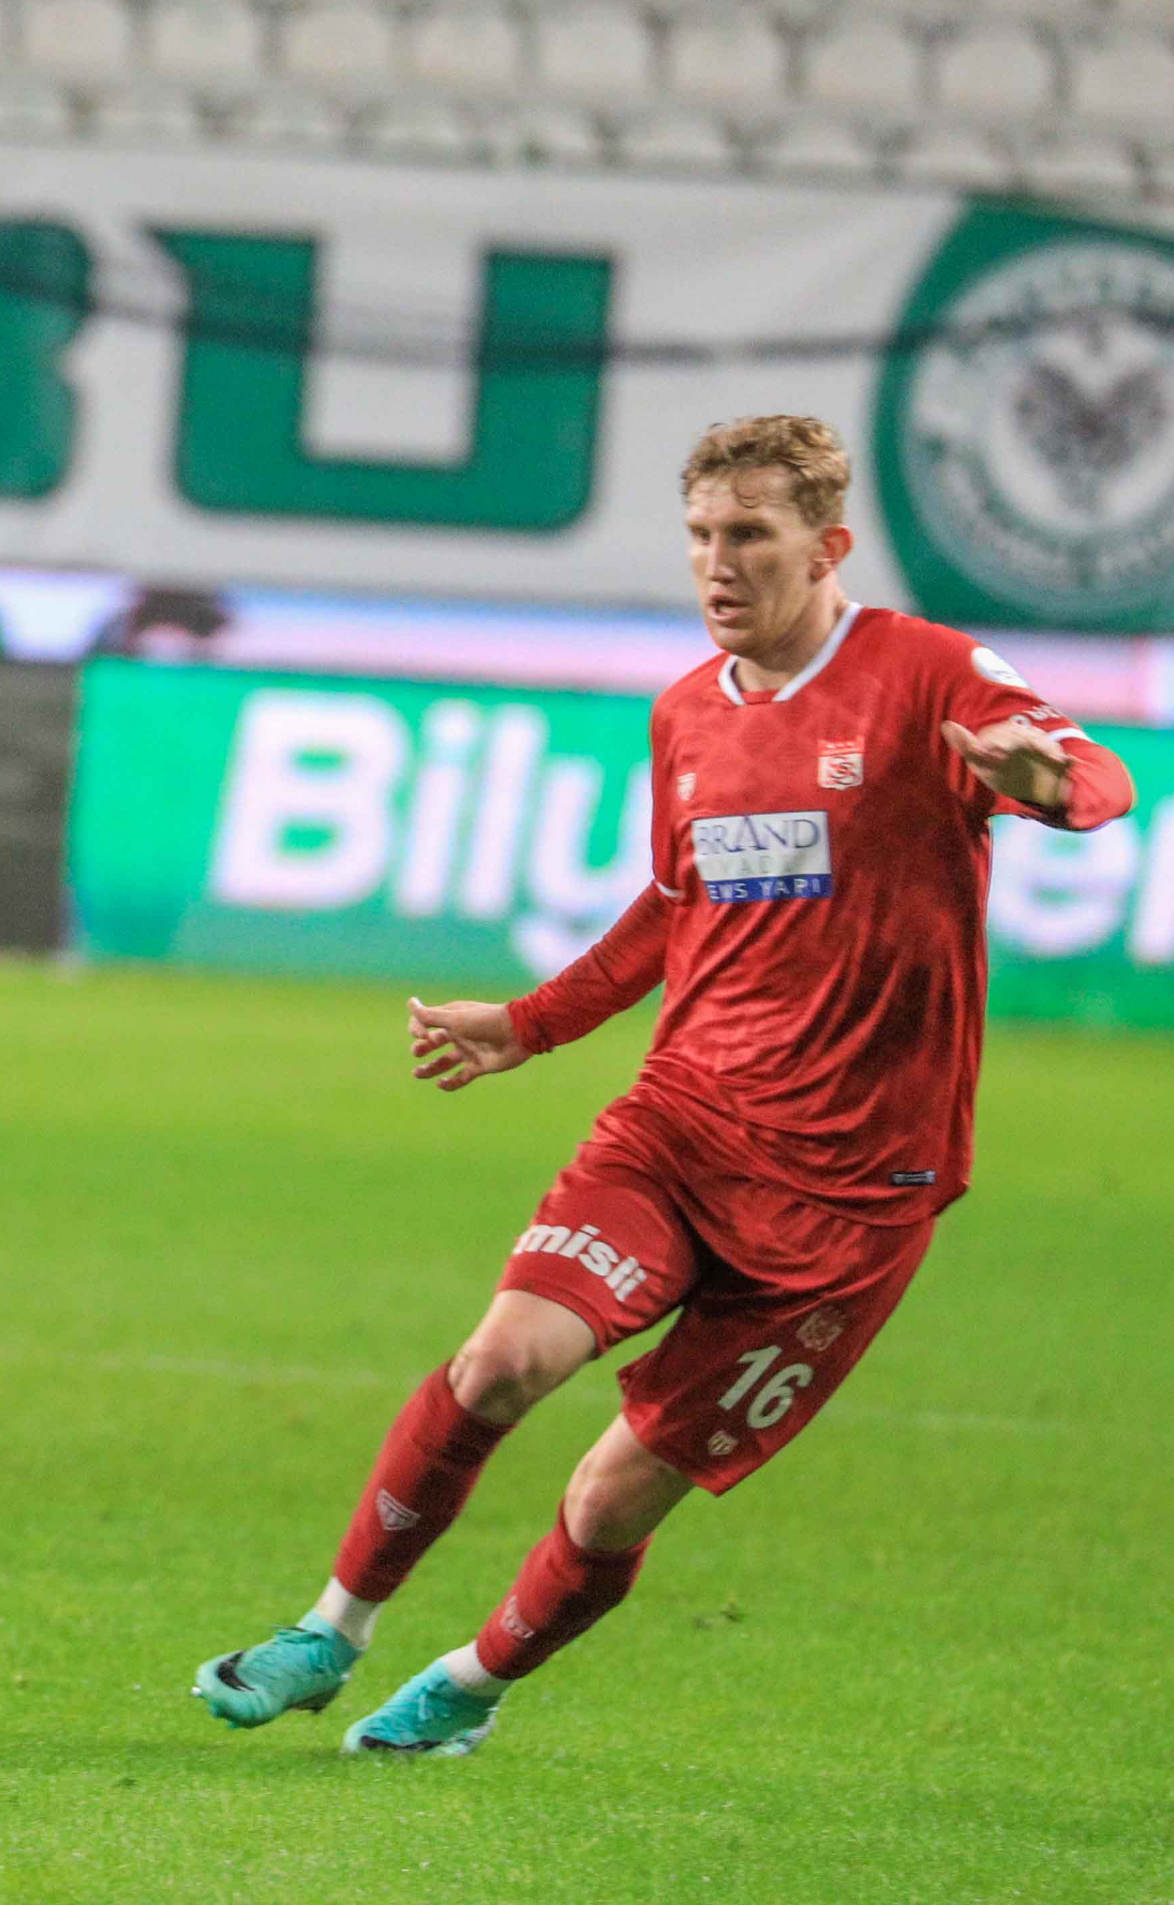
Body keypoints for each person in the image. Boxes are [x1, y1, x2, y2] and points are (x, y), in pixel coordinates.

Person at [193, 415, 1134, 1756]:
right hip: (682, 1126)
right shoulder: (686, 712)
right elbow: (675, 901)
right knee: (501, 1360)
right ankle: (326, 1631)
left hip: (855, 1196)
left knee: (611, 1496)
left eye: (749, 534)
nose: (717, 562)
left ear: (827, 545)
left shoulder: (923, 673)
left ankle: (471, 1681)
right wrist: (531, 1024)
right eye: (700, 534)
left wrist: (1045, 785)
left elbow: (1092, 770)